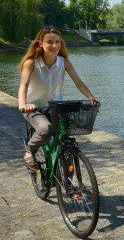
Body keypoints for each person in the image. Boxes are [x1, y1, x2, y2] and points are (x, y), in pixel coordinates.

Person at [18, 26, 99, 171]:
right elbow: (23, 86)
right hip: (34, 108)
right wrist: (23, 104)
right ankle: (29, 151)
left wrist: (91, 97)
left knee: (67, 141)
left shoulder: (64, 62)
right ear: (40, 43)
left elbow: (79, 82)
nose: (54, 45)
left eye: (57, 42)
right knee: (45, 128)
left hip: (56, 107)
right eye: (50, 42)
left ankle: (68, 185)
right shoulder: (31, 62)